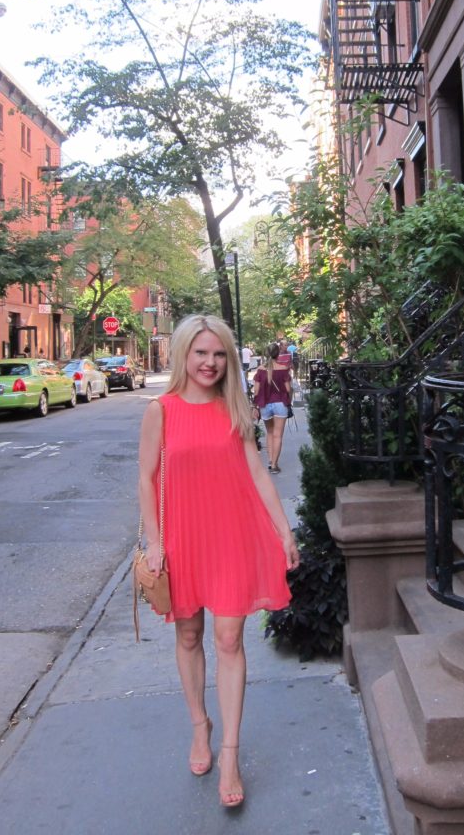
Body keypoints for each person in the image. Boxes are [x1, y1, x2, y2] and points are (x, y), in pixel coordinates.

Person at [137, 315, 299, 809]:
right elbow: (145, 479)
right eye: (201, 353)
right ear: (183, 354)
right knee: (188, 635)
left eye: (219, 354)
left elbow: (257, 472)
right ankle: (199, 726)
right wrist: (155, 542)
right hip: (182, 539)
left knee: (228, 639)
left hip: (231, 536)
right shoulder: (160, 410)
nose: (210, 363)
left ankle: (230, 751)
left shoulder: (236, 408)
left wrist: (284, 529)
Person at [251, 342, 292, 473]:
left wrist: (254, 406)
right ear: (278, 353)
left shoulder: (260, 370)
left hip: (265, 404)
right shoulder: (283, 368)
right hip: (280, 403)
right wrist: (289, 399)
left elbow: (256, 391)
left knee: (269, 432)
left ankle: (270, 459)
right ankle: (274, 465)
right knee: (278, 435)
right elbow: (288, 389)